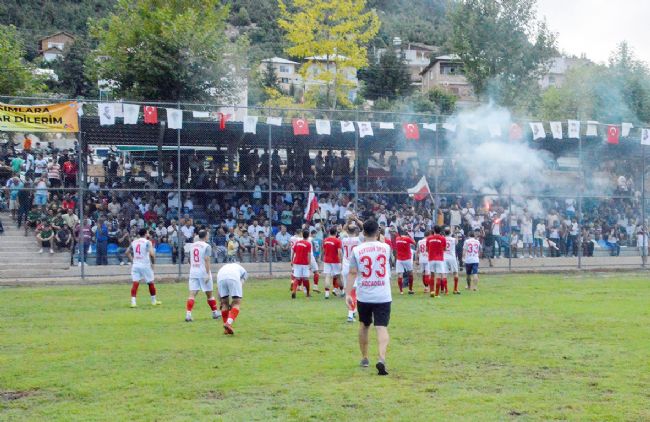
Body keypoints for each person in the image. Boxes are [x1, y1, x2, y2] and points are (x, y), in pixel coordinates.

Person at [346, 219, 392, 376]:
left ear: (363, 232)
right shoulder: (386, 248)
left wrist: (347, 293)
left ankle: (365, 358)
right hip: (383, 294)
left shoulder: (357, 250)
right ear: (378, 232)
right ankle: (381, 358)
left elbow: (352, 273)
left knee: (364, 325)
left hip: (364, 294)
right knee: (382, 327)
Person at [185, 230, 219, 322]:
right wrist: (208, 274)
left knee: (192, 294)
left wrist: (192, 267)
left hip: (193, 272)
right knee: (209, 295)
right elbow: (207, 259)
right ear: (206, 236)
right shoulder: (207, 246)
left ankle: (188, 314)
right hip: (203, 272)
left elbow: (189, 259)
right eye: (208, 235)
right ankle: (215, 313)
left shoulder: (192, 245)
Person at [125, 228, 161, 307]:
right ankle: (153, 301)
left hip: (136, 265)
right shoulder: (147, 242)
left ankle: (133, 302)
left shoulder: (134, 242)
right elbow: (152, 254)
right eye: (148, 233)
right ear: (145, 234)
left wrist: (132, 261)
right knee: (150, 282)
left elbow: (127, 252)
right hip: (145, 265)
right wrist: (153, 263)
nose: (149, 234)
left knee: (135, 283)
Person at [217, 262, 248, 335]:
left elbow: (218, 290)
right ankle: (228, 324)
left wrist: (221, 302)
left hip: (221, 278)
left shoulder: (223, 268)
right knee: (237, 302)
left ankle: (226, 329)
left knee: (224, 304)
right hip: (233, 277)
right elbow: (244, 277)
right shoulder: (240, 268)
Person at [291, 229, 315, 299]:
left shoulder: (298, 242)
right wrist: (309, 264)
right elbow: (309, 254)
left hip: (297, 261)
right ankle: (307, 293)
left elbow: (293, 251)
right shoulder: (308, 244)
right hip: (304, 263)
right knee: (306, 278)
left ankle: (294, 291)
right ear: (308, 236)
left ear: (302, 235)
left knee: (297, 278)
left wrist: (292, 260)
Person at [321, 227, 342, 299]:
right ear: (336, 233)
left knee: (327, 276)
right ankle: (342, 291)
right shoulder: (337, 241)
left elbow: (323, 251)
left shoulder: (325, 240)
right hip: (335, 260)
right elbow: (339, 252)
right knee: (338, 276)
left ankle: (327, 294)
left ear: (329, 232)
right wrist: (341, 261)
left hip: (327, 260)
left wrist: (323, 257)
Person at [426, 225, 447, 298]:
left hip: (431, 258)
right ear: (440, 230)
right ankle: (437, 294)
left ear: (434, 230)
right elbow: (444, 249)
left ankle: (432, 291)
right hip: (439, 259)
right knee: (438, 275)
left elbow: (427, 249)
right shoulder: (443, 238)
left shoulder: (429, 238)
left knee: (432, 275)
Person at [394, 229, 415, 295]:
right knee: (410, 274)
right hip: (407, 258)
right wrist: (409, 236)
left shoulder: (397, 239)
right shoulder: (407, 239)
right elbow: (414, 243)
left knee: (400, 275)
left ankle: (401, 291)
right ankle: (410, 289)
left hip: (399, 259)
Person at [444, 227, 461, 295]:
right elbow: (457, 242)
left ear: (444, 232)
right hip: (452, 257)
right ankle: (455, 289)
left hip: (444, 257)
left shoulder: (443, 239)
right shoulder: (453, 239)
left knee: (444, 274)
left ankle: (446, 291)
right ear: (450, 232)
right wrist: (456, 234)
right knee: (455, 273)